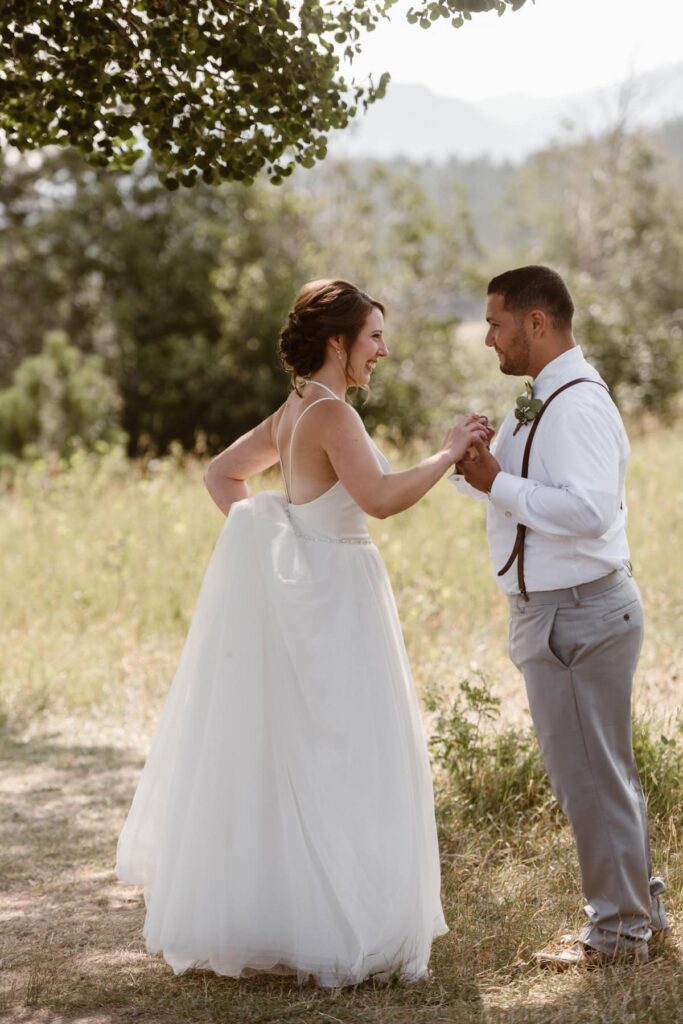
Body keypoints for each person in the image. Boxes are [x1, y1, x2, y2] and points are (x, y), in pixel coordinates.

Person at [116, 278, 489, 986]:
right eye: (373, 337)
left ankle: (302, 918)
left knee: (312, 756)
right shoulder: (332, 415)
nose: (383, 350)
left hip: (312, 601)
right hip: (341, 599)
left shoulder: (294, 410)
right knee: (353, 753)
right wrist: (446, 455)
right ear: (336, 343)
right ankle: (346, 925)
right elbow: (378, 501)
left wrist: (273, 545)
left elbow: (224, 477)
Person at [451, 265, 668, 969]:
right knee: (601, 774)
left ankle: (617, 935)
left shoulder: (573, 405)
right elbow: (517, 495)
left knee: (588, 780)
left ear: (535, 323)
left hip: (576, 614)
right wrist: (478, 468)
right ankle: (641, 913)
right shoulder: (543, 398)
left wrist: (499, 482)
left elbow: (587, 509)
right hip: (558, 613)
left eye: (495, 323)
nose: (488, 338)